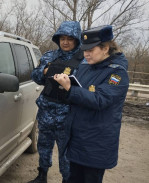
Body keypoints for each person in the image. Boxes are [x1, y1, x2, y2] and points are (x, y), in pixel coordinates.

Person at [53, 25, 129, 183]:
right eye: (84, 50)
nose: (85, 54)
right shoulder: (85, 67)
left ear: (105, 48)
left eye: (90, 50)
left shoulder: (117, 73)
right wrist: (64, 87)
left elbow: (100, 100)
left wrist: (70, 90)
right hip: (77, 139)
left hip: (96, 144)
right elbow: (76, 94)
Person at [29, 21, 83, 183]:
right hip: (46, 111)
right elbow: (36, 76)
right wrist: (45, 71)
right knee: (43, 146)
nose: (65, 42)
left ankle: (67, 180)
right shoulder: (49, 56)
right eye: (62, 38)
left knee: (66, 154)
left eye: (70, 39)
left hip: (67, 115)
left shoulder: (83, 60)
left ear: (76, 40)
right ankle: (42, 175)